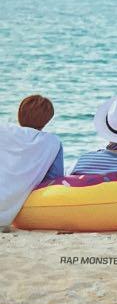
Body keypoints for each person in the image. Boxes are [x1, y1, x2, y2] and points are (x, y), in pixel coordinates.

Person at [0, 95, 64, 228]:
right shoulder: (53, 142)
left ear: (20, 113)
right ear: (46, 120)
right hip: (5, 217)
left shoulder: (3, 130)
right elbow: (54, 179)